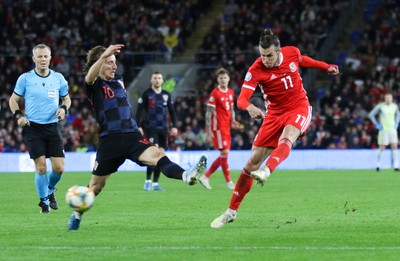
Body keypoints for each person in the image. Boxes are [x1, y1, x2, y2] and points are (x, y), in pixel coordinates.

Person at [68, 44, 207, 230]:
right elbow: (89, 77)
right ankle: (77, 214)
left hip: (132, 136)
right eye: (109, 62)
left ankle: (186, 175)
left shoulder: (119, 82)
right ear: (99, 63)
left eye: (115, 62)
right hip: (110, 141)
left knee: (158, 156)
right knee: (95, 189)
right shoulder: (94, 85)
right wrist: (104, 55)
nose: (114, 66)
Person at [210, 29, 339, 228]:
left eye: (269, 55)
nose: (266, 59)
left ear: (278, 51)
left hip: (299, 107)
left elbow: (303, 60)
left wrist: (325, 66)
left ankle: (267, 170)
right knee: (251, 162)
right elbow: (242, 99)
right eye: (262, 55)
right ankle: (231, 211)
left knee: (287, 136)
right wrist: (251, 107)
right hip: (274, 114)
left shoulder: (291, 52)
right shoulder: (256, 69)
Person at [9, 43, 71, 214]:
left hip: (52, 126)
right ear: (34, 58)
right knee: (41, 167)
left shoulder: (58, 78)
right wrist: (18, 116)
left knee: (59, 168)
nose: (43, 59)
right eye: (40, 56)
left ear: (50, 58)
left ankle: (50, 190)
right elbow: (13, 100)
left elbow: (67, 99)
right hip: (33, 127)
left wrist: (63, 109)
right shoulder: (25, 78)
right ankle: (43, 202)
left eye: (46, 56)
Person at [136, 72, 178, 191]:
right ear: (151, 80)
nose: (157, 80)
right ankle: (147, 181)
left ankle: (155, 183)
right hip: (150, 127)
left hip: (163, 129)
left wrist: (174, 126)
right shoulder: (146, 94)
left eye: (159, 78)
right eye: (155, 78)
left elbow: (172, 112)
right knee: (154, 153)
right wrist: (138, 126)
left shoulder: (166, 95)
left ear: (162, 80)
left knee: (160, 155)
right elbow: (138, 111)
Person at [199, 68, 239, 190]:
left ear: (228, 79)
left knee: (224, 155)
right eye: (221, 78)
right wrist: (208, 131)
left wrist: (233, 120)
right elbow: (208, 113)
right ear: (217, 80)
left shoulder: (231, 92)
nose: (223, 80)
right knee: (225, 153)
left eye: (225, 77)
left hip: (226, 127)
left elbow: (232, 109)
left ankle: (205, 177)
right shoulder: (215, 94)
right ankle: (228, 182)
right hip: (218, 127)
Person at [368, 93, 400, 171]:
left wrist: (396, 123)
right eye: (387, 98)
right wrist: (377, 124)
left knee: (394, 146)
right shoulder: (381, 106)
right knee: (382, 147)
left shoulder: (394, 106)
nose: (388, 99)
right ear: (384, 99)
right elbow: (371, 115)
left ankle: (396, 166)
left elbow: (398, 115)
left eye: (390, 98)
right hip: (384, 130)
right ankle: (378, 165)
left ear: (392, 99)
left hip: (392, 129)